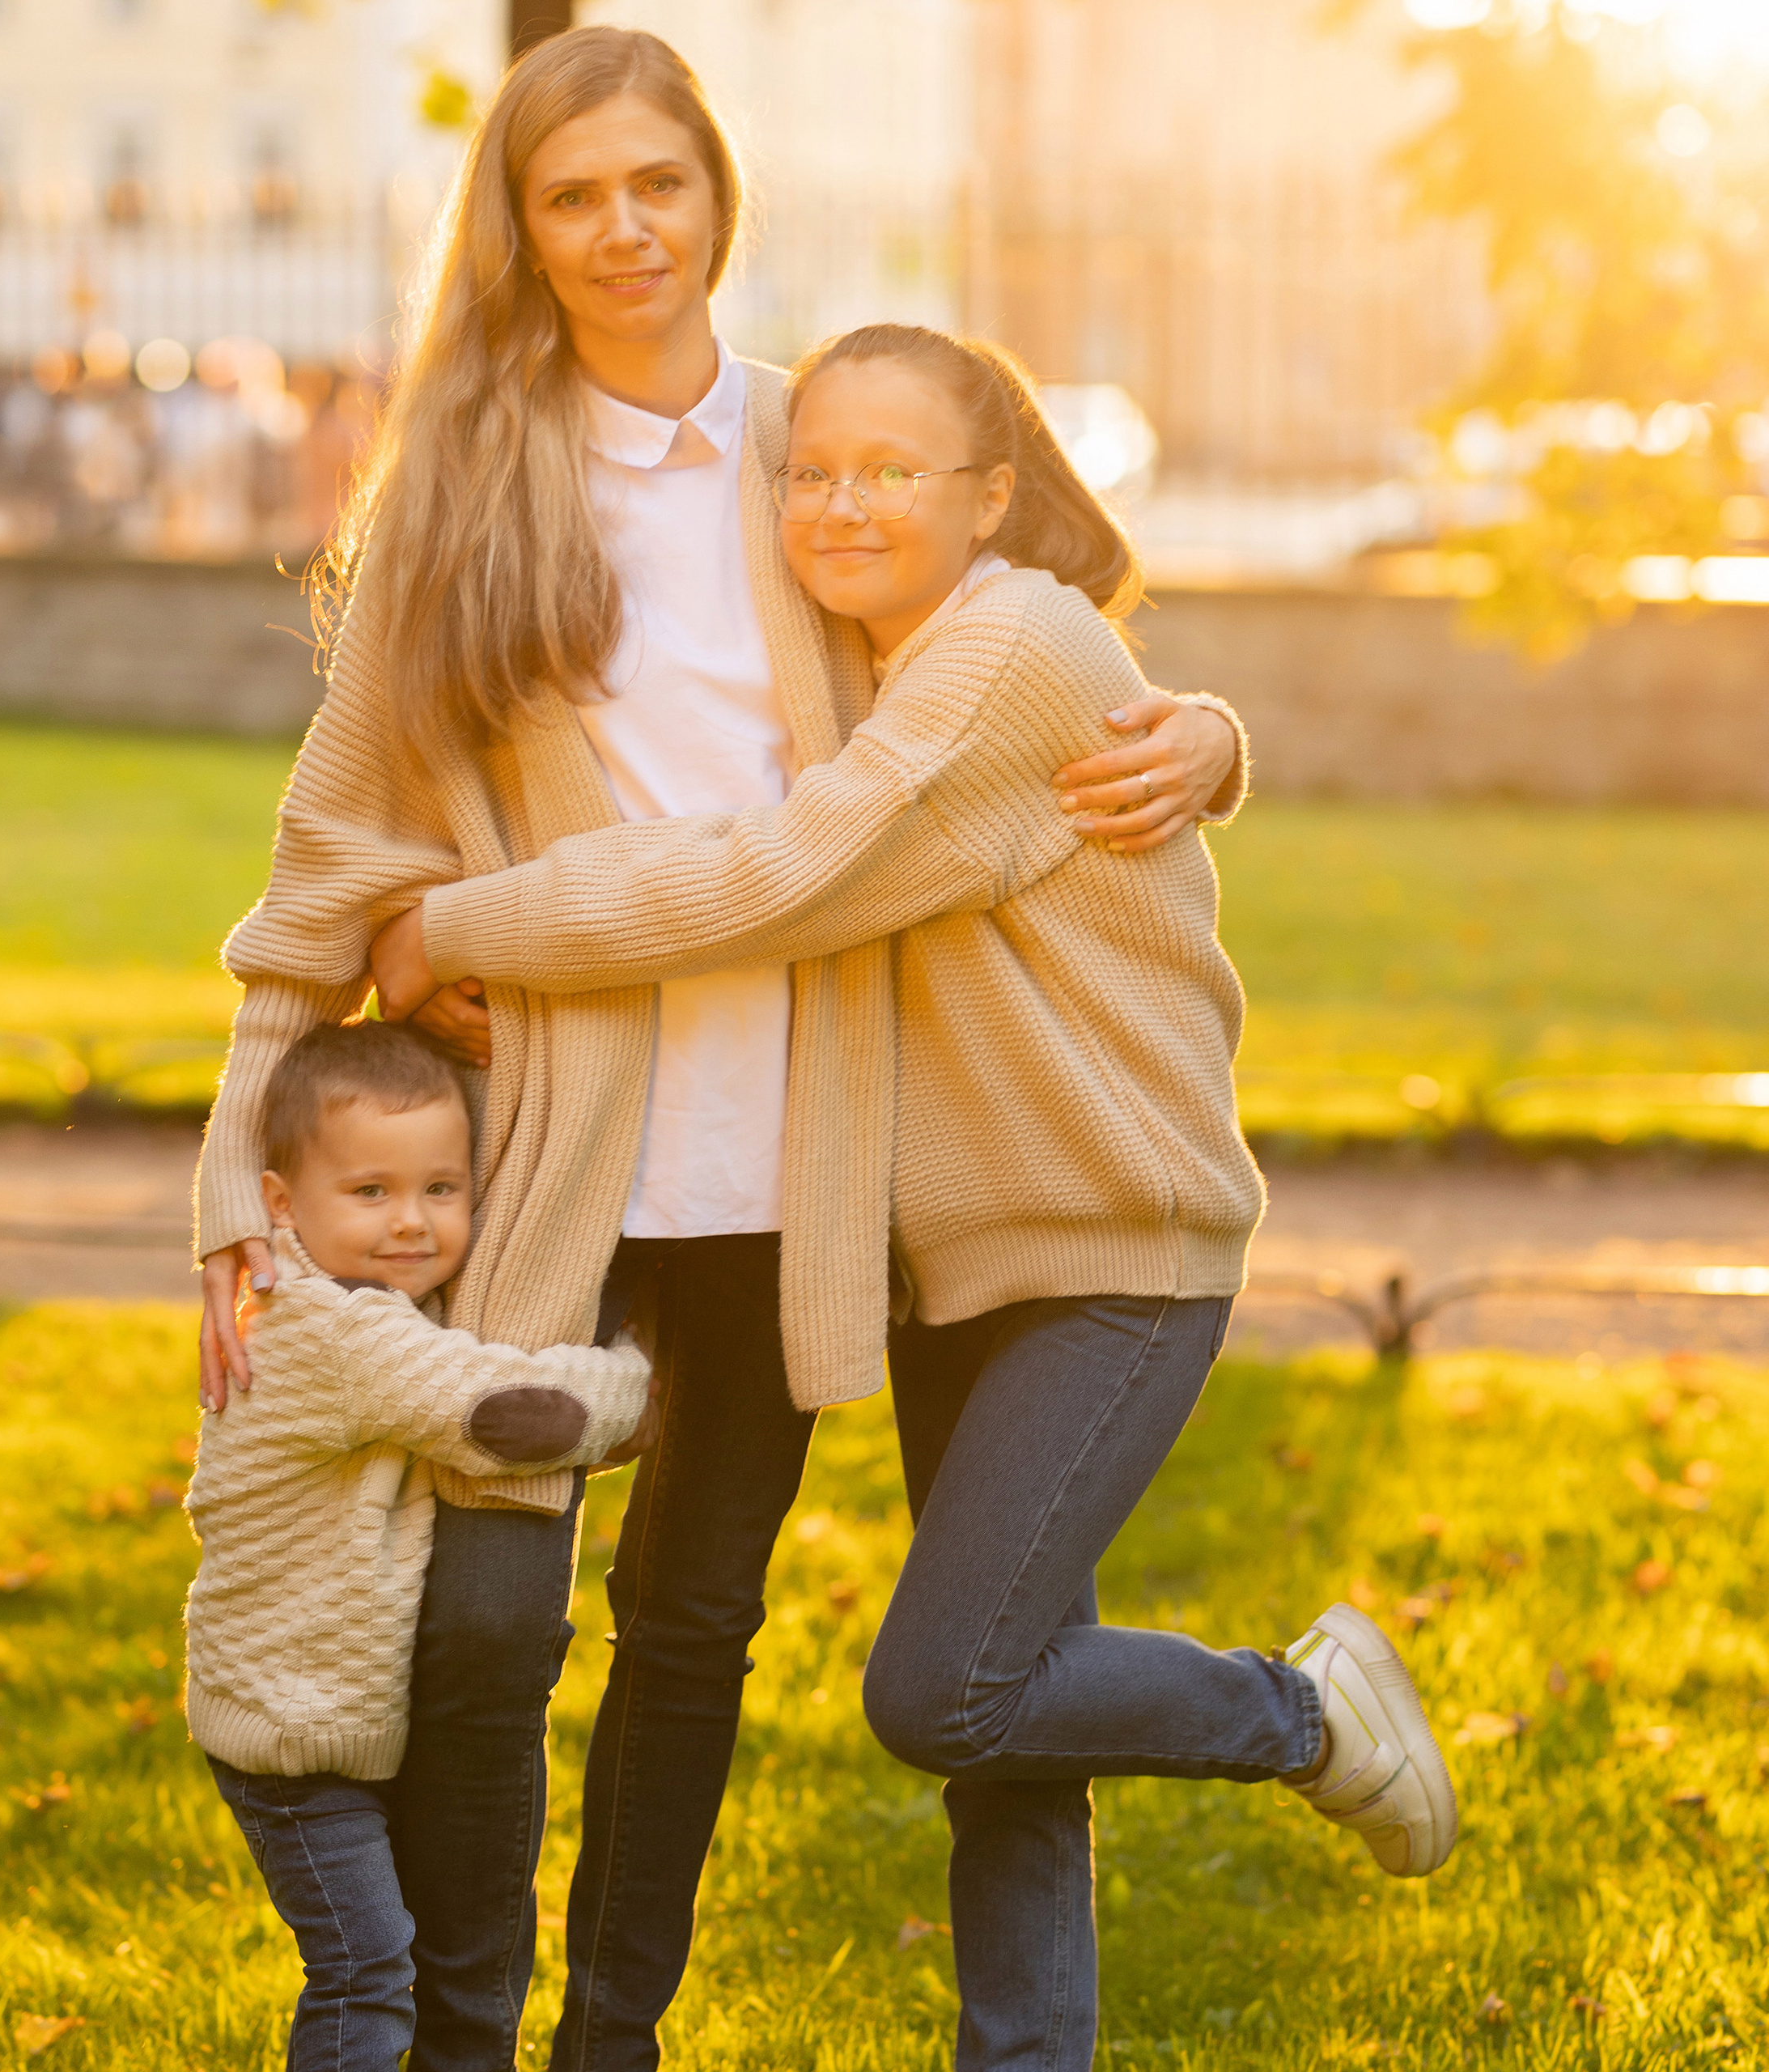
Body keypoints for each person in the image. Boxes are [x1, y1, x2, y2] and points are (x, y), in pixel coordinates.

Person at [193, 27, 1247, 2071]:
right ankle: (451, 2033)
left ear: (715, 197)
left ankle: (612, 2035)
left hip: (783, 1149)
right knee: (490, 1627)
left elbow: (1044, 622)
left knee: (690, 1633)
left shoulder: (809, 446)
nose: (619, 230)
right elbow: (326, 857)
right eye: (569, 194)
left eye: (653, 184)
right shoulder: (457, 492)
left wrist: (1207, 742)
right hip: (546, 1147)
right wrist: (241, 1158)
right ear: (518, 228)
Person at [370, 322, 1457, 2070]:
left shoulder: (1002, 641)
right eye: (809, 470)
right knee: (1015, 1707)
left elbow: (789, 869)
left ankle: (1299, 1708)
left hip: (1111, 1244)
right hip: (957, 1257)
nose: (837, 500)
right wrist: (1212, 737)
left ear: (991, 494)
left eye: (891, 470)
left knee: (943, 1685)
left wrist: (457, 923)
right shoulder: (886, 665)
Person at [185, 1020, 654, 2071]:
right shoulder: (334, 1332)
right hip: (293, 1746)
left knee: (376, 1960)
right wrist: (645, 1381)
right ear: (277, 1205)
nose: (411, 1222)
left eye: (441, 1189)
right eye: (372, 1192)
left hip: (328, 1721)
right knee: (368, 1968)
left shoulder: (381, 1309)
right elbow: (503, 1415)